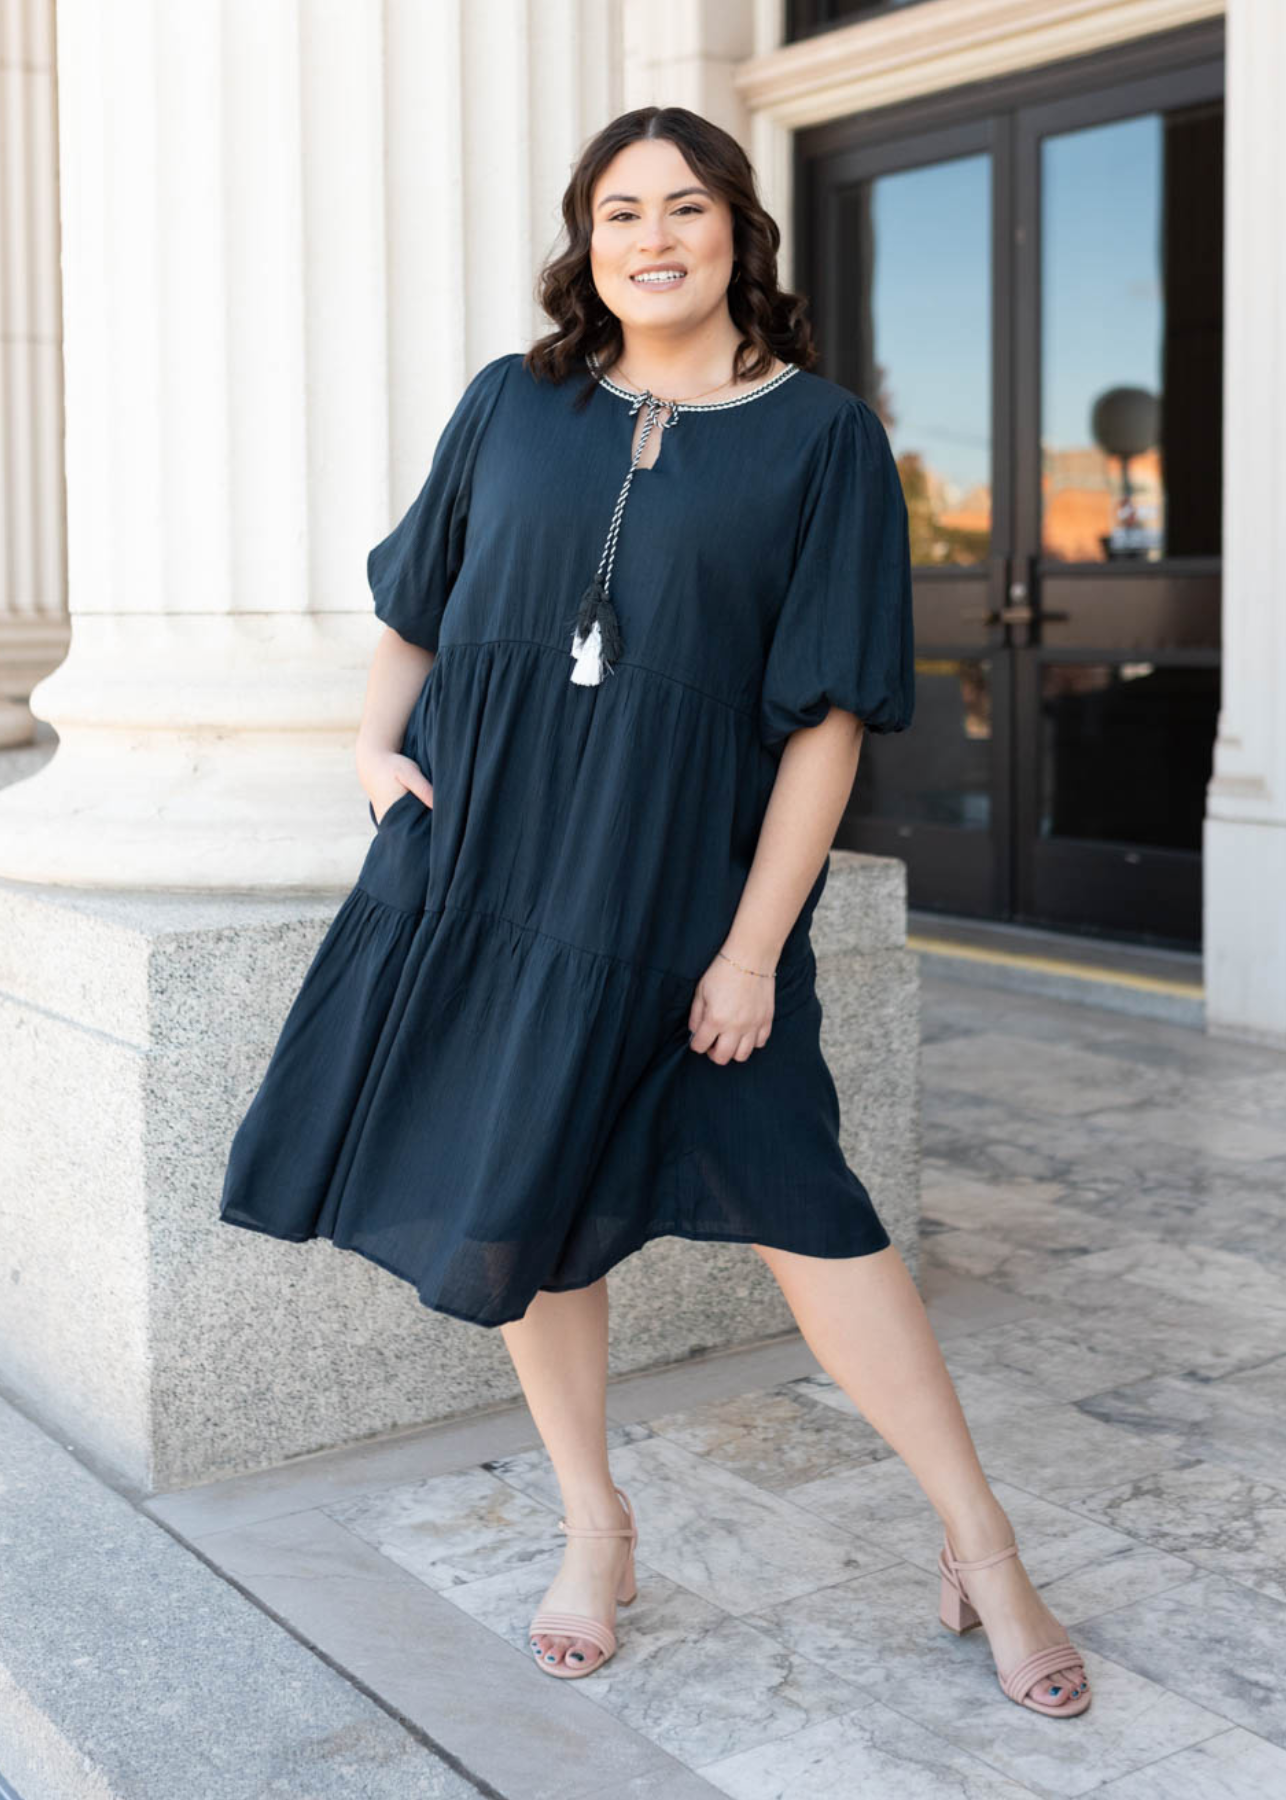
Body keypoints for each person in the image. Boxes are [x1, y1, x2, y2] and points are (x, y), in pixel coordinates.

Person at [218, 105, 1089, 1715]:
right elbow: (415, 604)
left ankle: (982, 1544)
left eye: (681, 207)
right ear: (585, 242)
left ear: (737, 231)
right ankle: (593, 1524)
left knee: (813, 1220)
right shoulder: (510, 402)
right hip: (484, 869)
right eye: (617, 213)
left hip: (686, 888)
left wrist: (754, 946)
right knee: (522, 1204)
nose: (649, 238)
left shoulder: (822, 438)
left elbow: (824, 720)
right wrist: (367, 752)